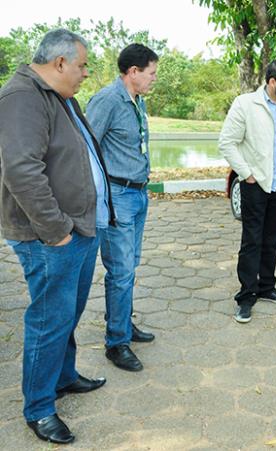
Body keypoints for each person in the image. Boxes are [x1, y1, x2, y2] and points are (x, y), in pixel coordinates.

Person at [0, 29, 114, 444]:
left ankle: (63, 377)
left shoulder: (60, 96)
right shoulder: (22, 97)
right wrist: (58, 232)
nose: (86, 73)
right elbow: (21, 171)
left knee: (67, 313)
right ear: (60, 63)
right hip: (50, 237)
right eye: (82, 65)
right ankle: (39, 408)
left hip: (79, 228)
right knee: (49, 319)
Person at [219, 58, 276, 323]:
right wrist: (246, 174)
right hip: (256, 184)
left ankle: (267, 287)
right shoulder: (246, 104)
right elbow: (227, 142)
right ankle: (246, 295)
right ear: (272, 82)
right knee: (252, 241)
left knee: (273, 239)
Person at [87, 44, 158, 372]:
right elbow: (86, 149)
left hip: (138, 194)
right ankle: (116, 343)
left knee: (131, 266)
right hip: (117, 197)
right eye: (151, 73)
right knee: (120, 271)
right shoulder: (107, 101)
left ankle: (124, 325)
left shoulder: (137, 101)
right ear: (133, 72)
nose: (154, 79)